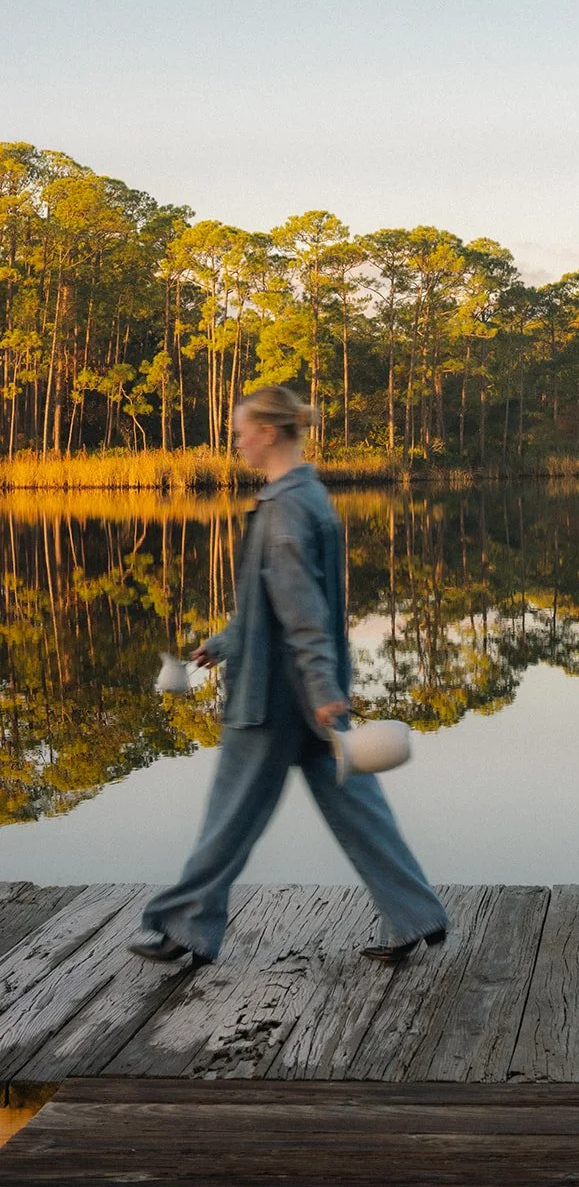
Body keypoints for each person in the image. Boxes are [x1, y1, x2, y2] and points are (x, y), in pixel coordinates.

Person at [129, 385, 448, 968]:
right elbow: (282, 603)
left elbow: (303, 612)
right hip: (307, 692)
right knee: (359, 809)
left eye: (241, 431)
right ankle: (416, 916)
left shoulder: (283, 509)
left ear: (270, 433)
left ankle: (185, 926)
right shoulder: (311, 495)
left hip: (273, 698)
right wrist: (225, 643)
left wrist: (323, 690)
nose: (237, 441)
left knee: (230, 817)